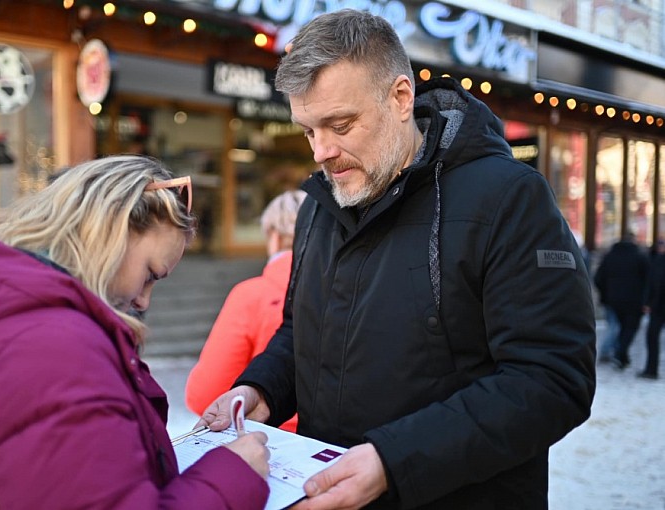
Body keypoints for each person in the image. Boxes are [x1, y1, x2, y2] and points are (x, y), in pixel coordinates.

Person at [197, 10, 596, 510]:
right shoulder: (319, 208)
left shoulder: (509, 198)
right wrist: (262, 389)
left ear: (400, 98)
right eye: (308, 131)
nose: (321, 151)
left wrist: (394, 460)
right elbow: (303, 332)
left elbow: (552, 380)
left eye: (340, 125)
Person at [0, 155, 271, 509]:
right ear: (106, 235)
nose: (144, 302)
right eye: (149, 275)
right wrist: (234, 475)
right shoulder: (52, 348)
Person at [185, 190, 307, 433]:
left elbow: (205, 395)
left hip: (265, 439)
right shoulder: (344, 294)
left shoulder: (251, 295)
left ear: (273, 236)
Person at [593, 231, 649, 370]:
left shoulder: (610, 257)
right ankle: (618, 354)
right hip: (633, 301)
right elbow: (648, 280)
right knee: (628, 329)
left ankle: (616, 354)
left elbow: (598, 278)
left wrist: (606, 293)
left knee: (614, 326)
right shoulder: (639, 257)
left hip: (612, 300)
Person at [640, 237, 665, 379]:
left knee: (652, 337)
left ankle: (651, 369)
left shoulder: (658, 261)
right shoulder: (657, 261)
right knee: (652, 337)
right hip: (657, 306)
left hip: (658, 306)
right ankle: (651, 369)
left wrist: (649, 302)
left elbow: (655, 283)